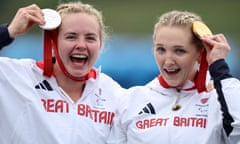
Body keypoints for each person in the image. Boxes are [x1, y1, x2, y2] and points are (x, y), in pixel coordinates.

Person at [0, 2, 126, 144]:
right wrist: (8, 32)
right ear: (53, 43)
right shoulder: (16, 78)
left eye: (90, 38)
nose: (81, 45)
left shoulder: (116, 96)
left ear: (100, 45)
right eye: (71, 37)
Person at [107, 10, 240, 144]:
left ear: (200, 54)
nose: (168, 61)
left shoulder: (218, 101)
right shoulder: (130, 100)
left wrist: (220, 69)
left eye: (179, 51)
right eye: (161, 50)